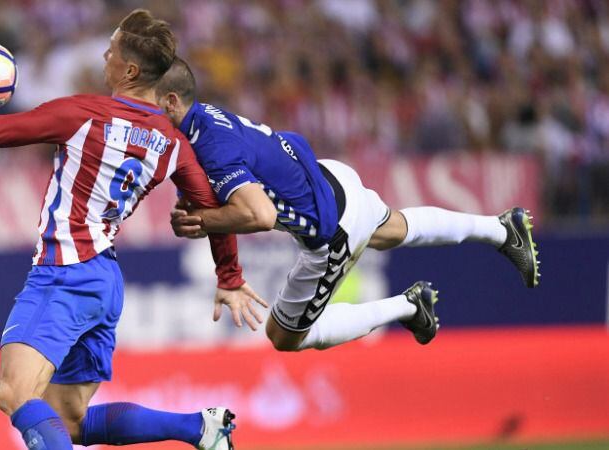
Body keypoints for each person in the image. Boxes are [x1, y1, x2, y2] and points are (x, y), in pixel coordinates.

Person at [0, 11, 263, 450]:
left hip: (64, 270)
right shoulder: (173, 144)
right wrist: (229, 276)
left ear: (130, 71)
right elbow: (211, 209)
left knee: (14, 393)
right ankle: (199, 428)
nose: (105, 55)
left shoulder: (83, 114)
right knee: (70, 421)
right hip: (104, 282)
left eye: (112, 50)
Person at [156, 58, 540, 352]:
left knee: (284, 336)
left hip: (332, 227)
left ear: (172, 103)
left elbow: (260, 214)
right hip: (331, 177)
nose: (139, 112)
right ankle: (501, 228)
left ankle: (408, 307)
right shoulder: (202, 120)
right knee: (393, 230)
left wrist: (204, 221)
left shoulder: (209, 146)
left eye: (148, 102)